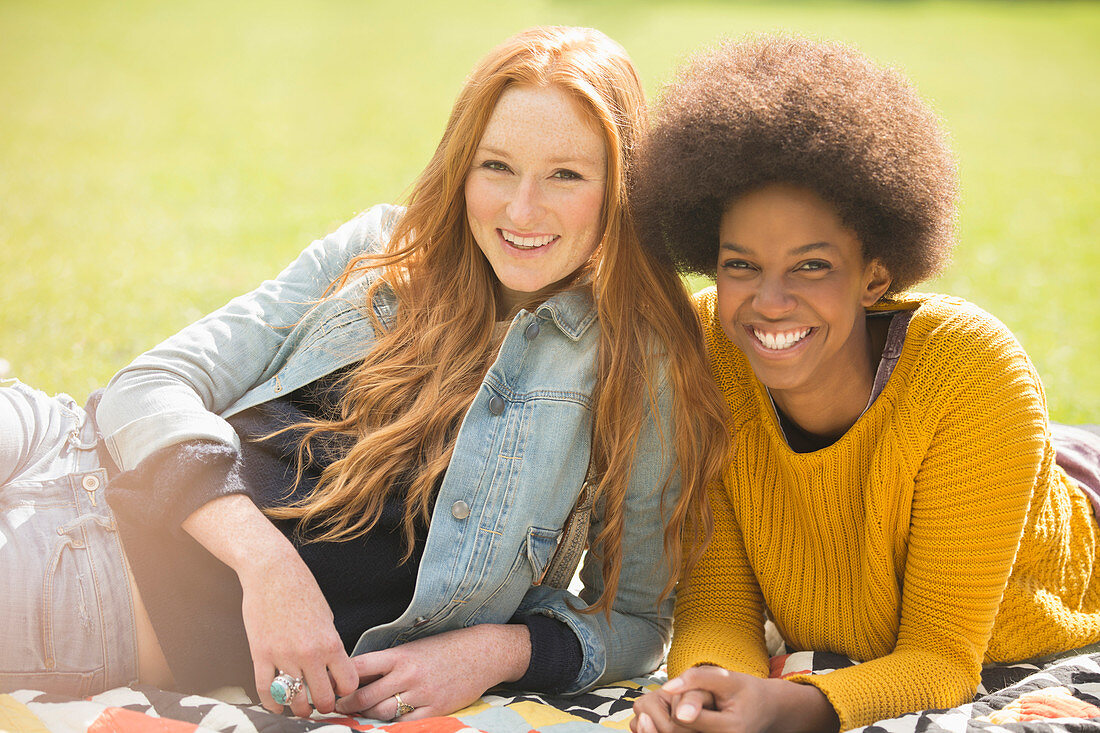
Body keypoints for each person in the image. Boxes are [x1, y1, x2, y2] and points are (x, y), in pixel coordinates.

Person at [0, 25, 729, 721]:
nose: (521, 208)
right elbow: (147, 385)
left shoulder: (638, 366)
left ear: (619, 188)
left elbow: (633, 618)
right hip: (55, 436)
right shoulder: (383, 249)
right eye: (496, 166)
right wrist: (267, 563)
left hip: (96, 577)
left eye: (565, 175)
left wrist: (495, 650)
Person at [628, 34, 1100, 733]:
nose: (771, 301)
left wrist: (787, 707)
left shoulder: (973, 368)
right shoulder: (708, 349)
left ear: (875, 276)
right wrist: (702, 690)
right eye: (741, 265)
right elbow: (719, 606)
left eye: (811, 265)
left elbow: (941, 661)